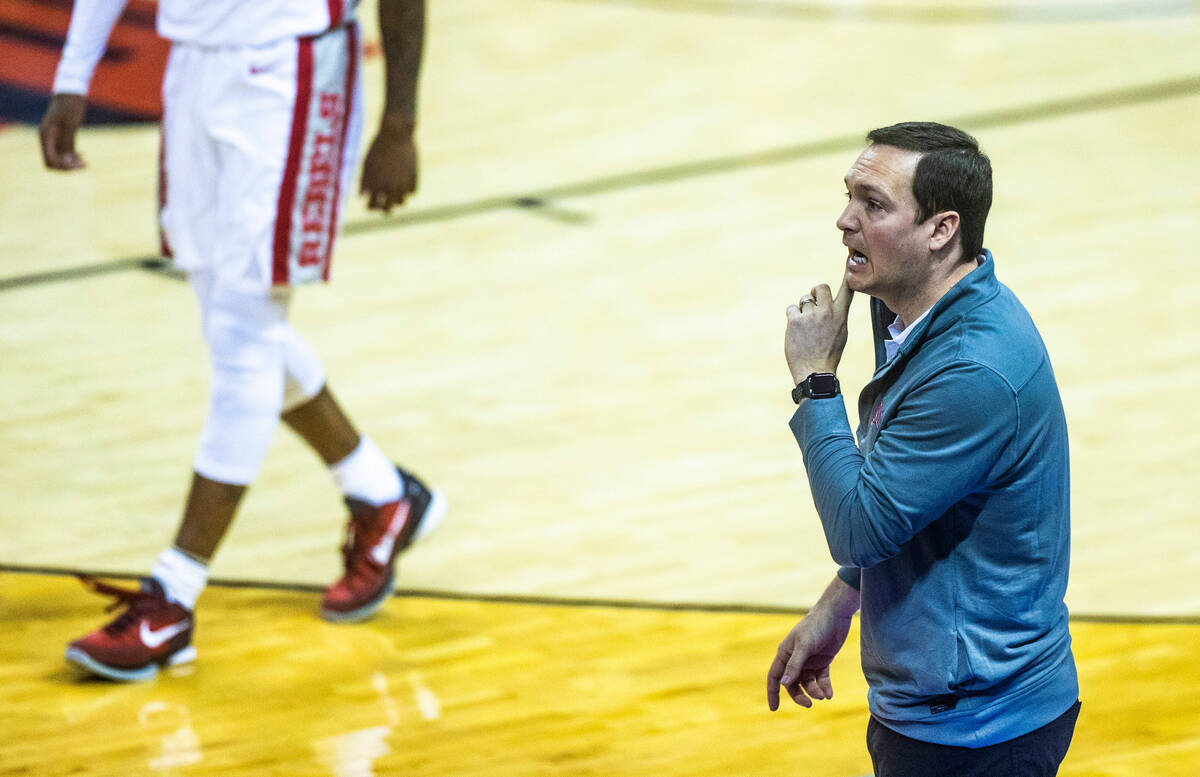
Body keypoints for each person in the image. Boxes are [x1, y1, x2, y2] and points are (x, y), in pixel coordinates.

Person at [39, 0, 445, 682]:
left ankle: (172, 596)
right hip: (193, 64)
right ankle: (381, 494)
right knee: (228, 322)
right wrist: (73, 75)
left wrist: (399, 123)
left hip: (291, 67)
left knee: (242, 334)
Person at [766, 122, 1079, 776]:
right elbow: (906, 490)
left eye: (873, 205)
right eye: (850, 195)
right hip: (933, 708)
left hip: (980, 729)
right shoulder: (909, 307)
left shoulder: (973, 372)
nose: (844, 221)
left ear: (941, 230)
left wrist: (816, 381)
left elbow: (860, 528)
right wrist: (841, 600)